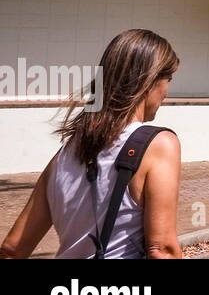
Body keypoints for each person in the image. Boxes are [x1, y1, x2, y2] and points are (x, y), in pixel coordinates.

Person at [1, 28, 182, 259]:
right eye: (168, 79)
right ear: (149, 80)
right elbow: (162, 250)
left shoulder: (65, 154)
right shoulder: (159, 145)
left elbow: (12, 250)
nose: (166, 91)